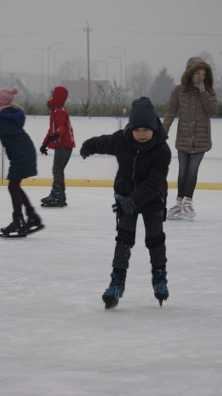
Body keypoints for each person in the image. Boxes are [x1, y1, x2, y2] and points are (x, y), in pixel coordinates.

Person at [80, 97, 171, 309]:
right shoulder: (121, 140)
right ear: (130, 128)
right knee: (124, 239)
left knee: (155, 239)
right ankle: (117, 281)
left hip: (152, 200)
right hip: (124, 196)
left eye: (145, 129)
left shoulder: (162, 150)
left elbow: (154, 183)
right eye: (137, 129)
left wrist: (132, 202)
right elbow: (102, 142)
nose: (141, 134)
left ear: (154, 128)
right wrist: (87, 146)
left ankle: (159, 278)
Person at [0, 87, 43, 237]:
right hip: (23, 153)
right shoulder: (8, 116)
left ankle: (18, 220)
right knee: (15, 186)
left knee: (13, 186)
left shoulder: (3, 118)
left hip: (21, 155)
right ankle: (32, 216)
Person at [162, 56, 218, 221]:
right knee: (182, 171)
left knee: (192, 171)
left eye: (203, 73)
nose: (201, 77)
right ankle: (178, 204)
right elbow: (170, 113)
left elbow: (213, 111)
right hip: (183, 139)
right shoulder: (178, 91)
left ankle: (188, 203)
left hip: (201, 140)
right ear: (190, 73)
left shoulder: (209, 92)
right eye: (197, 73)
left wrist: (203, 92)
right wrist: (162, 132)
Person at [39, 85, 75, 207]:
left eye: (52, 95)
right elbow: (51, 130)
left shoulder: (59, 111)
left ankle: (57, 195)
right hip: (63, 146)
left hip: (63, 146)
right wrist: (44, 144)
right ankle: (60, 196)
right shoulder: (56, 111)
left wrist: (56, 135)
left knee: (57, 170)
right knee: (59, 170)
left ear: (57, 97)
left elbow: (61, 127)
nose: (49, 97)